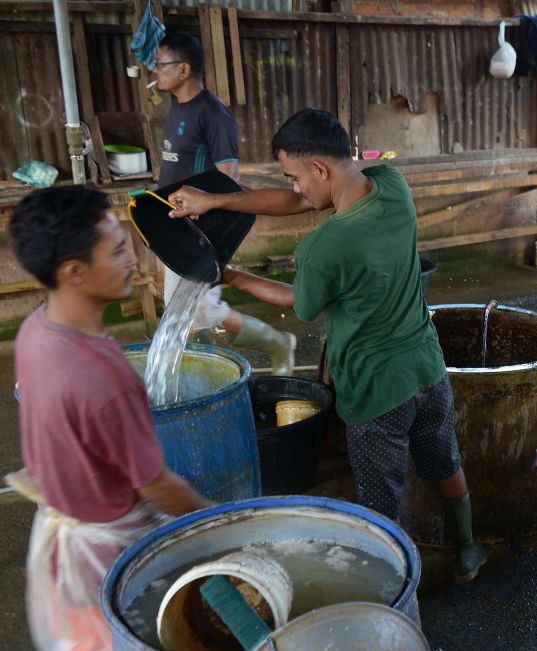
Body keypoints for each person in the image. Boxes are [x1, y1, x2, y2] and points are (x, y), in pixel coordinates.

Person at [169, 108, 487, 582]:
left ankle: (396, 587)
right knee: (443, 461)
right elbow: (296, 202)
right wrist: (214, 202)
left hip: (375, 389)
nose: (294, 188)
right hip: (426, 367)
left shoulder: (324, 248)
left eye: (294, 176)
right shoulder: (392, 187)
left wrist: (232, 274)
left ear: (320, 169)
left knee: (380, 502)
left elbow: (298, 302)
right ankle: (468, 550)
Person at [0, 186, 213, 651]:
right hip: (105, 550)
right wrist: (218, 524)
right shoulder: (103, 376)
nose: (133, 260)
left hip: (62, 529)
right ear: (73, 271)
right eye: (117, 250)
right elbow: (155, 484)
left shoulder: (37, 333)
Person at [153, 30, 295, 375]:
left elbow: (228, 176)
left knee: (190, 309)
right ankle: (272, 343)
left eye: (159, 65)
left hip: (196, 227)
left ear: (183, 70)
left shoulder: (213, 114)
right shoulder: (177, 107)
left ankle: (267, 346)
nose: (153, 72)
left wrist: (209, 226)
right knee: (193, 307)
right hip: (171, 221)